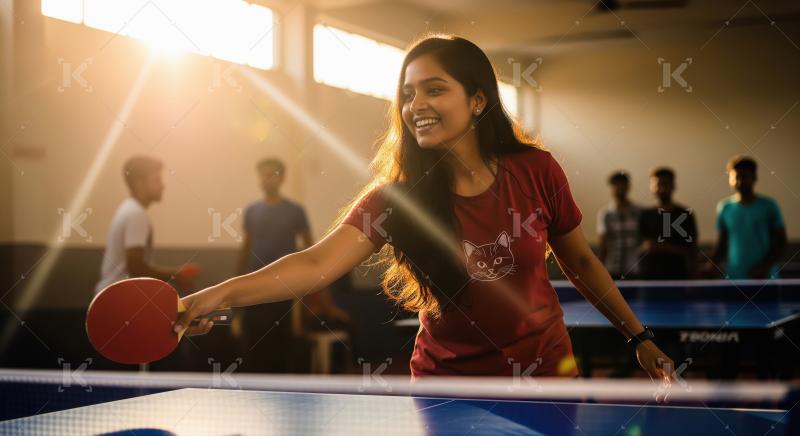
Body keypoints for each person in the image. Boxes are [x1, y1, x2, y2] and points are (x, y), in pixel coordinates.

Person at [175, 35, 673, 383]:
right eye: (409, 94)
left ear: (478, 101)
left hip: (545, 375)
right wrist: (211, 297)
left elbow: (580, 262)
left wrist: (638, 337)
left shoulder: (536, 171)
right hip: (446, 384)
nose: (416, 105)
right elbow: (314, 264)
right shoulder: (396, 200)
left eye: (435, 89)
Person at [236, 158, 349, 371]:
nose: (266, 179)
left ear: (281, 178)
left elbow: (313, 252)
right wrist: (236, 281)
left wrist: (326, 300)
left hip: (284, 288)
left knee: (281, 346)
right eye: (262, 174)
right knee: (254, 347)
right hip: (254, 285)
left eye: (271, 174)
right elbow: (246, 249)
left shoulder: (295, 211)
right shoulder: (251, 211)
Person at [95, 156, 195, 295]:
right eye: (156, 180)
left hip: (112, 297)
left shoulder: (128, 209)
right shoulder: (136, 214)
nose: (163, 186)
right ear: (140, 183)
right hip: (117, 299)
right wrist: (177, 275)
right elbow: (136, 267)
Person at [703, 156, 786, 279]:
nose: (740, 181)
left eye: (745, 177)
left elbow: (781, 243)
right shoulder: (725, 207)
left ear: (754, 178)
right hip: (735, 278)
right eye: (736, 177)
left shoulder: (769, 206)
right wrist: (711, 264)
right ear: (730, 179)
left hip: (766, 279)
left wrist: (763, 268)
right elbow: (722, 242)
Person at [638, 167, 698, 280]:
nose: (661, 188)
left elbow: (692, 249)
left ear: (673, 186)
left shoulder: (685, 214)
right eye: (658, 184)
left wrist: (695, 278)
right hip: (650, 278)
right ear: (651, 187)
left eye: (665, 184)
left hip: (679, 277)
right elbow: (644, 246)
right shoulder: (645, 215)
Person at [597, 171, 641, 280]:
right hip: (612, 270)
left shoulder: (639, 212)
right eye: (616, 185)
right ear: (611, 188)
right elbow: (603, 244)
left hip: (635, 270)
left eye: (622, 184)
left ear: (628, 186)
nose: (619, 188)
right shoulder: (605, 214)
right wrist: (600, 270)